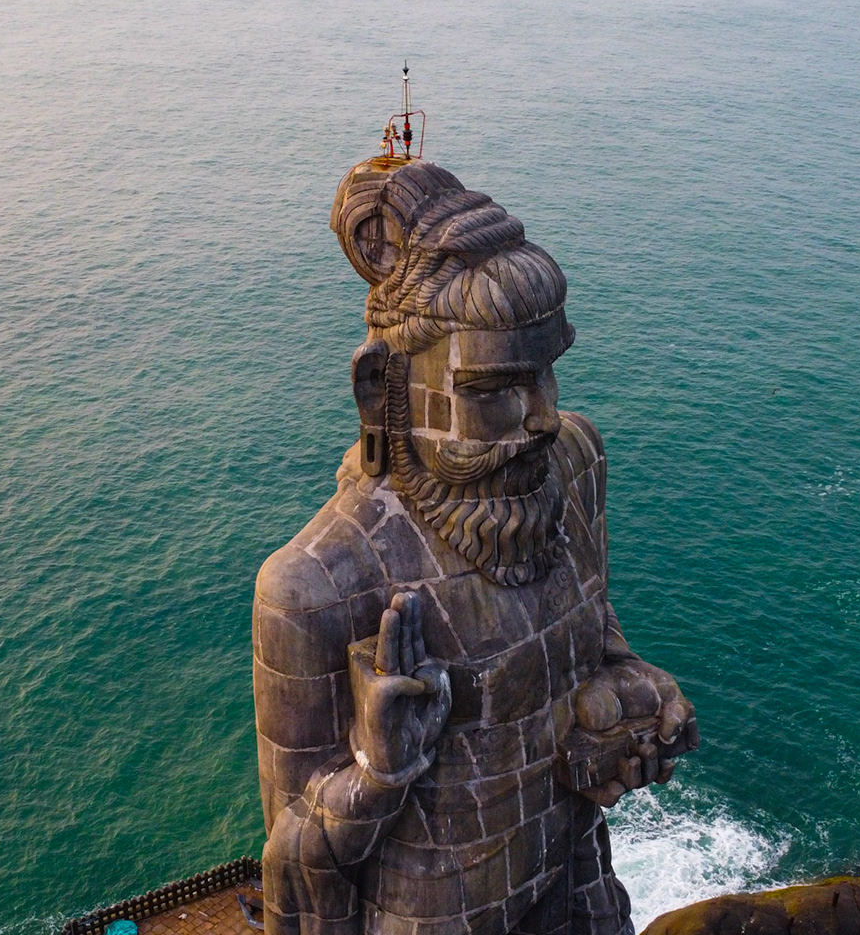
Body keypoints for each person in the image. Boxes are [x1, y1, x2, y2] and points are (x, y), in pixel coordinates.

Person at [256, 159, 695, 935]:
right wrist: (379, 772)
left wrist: (629, 692)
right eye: (493, 390)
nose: (542, 418)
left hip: (578, 880)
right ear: (380, 389)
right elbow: (293, 858)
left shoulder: (573, 466)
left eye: (547, 374)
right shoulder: (320, 584)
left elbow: (594, 631)